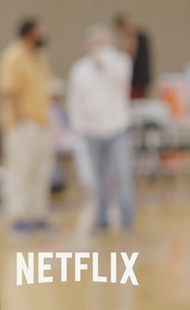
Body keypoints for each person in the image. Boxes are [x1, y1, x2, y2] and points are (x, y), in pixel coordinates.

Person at [66, 24, 135, 232]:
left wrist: (106, 62)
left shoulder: (121, 62)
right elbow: (74, 99)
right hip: (92, 131)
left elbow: (121, 83)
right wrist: (77, 124)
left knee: (123, 174)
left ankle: (126, 219)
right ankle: (102, 218)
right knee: (97, 177)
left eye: (103, 43)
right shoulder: (80, 69)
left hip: (117, 128)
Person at [0, 18, 54, 233]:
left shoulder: (40, 57)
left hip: (42, 123)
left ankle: (38, 215)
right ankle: (18, 216)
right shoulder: (13, 56)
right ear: (30, 33)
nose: (45, 33)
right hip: (22, 125)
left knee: (41, 172)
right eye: (41, 29)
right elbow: (9, 92)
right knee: (20, 172)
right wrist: (21, 122)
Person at [115, 14, 152, 99]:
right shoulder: (138, 36)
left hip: (138, 77)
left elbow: (130, 57)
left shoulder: (134, 37)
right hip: (139, 77)